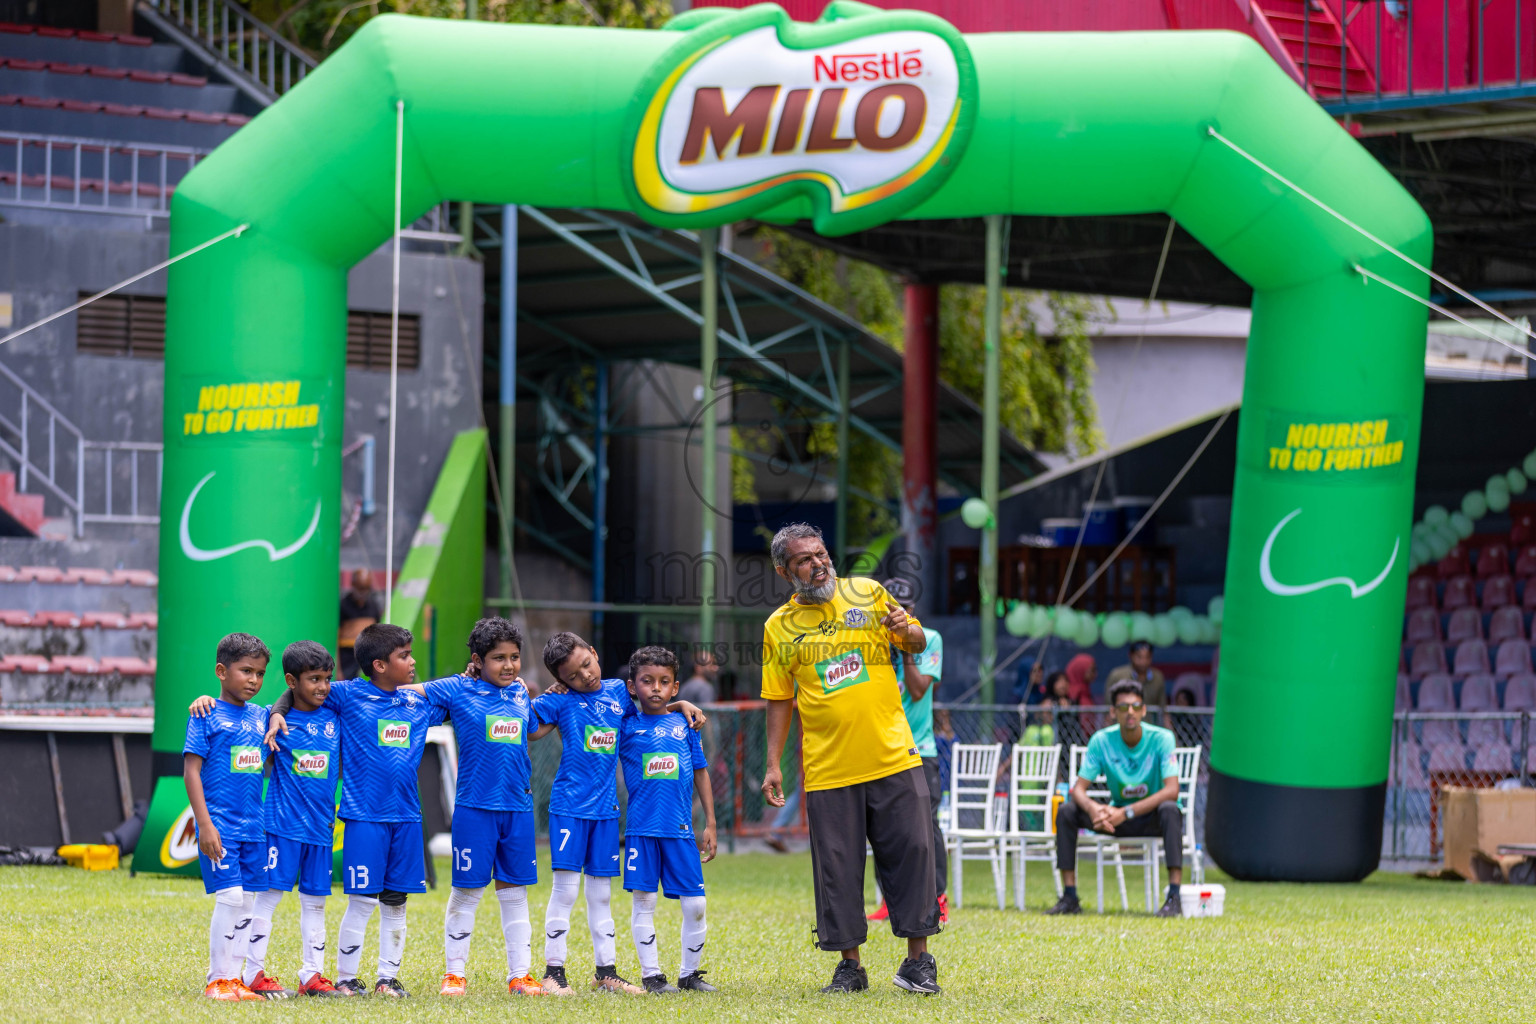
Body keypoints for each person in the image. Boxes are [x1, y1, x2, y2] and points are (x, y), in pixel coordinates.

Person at [759, 522, 941, 996]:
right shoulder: (778, 628)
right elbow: (778, 699)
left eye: (820, 553)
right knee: (837, 869)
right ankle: (850, 967)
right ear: (785, 570)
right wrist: (773, 763)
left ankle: (917, 962)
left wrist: (909, 629)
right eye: (804, 559)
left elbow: (917, 644)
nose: (817, 563)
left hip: (895, 756)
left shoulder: (869, 592)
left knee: (914, 854)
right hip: (828, 769)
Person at [264, 623, 451, 997]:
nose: (413, 662)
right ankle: (347, 978)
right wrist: (275, 714)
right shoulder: (347, 697)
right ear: (379, 665)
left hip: (408, 819)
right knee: (363, 899)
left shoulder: (417, 703)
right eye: (405, 656)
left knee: (397, 901)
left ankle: (387, 978)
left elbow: (462, 697)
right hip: (364, 817)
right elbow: (298, 688)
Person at [532, 632, 706, 995]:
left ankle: (605, 971)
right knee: (565, 892)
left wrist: (681, 704)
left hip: (607, 812)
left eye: (586, 664)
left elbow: (652, 706)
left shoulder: (617, 693)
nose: (585, 676)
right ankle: (554, 972)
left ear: (594, 654)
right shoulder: (561, 700)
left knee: (601, 895)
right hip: (569, 807)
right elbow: (533, 730)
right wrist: (535, 693)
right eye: (573, 675)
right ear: (562, 680)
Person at [424, 617, 554, 998]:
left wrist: (557, 697)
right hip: (474, 809)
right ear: (478, 660)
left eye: (514, 657)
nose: (509, 665)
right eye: (499, 658)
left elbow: (531, 728)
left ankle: (520, 975)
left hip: (517, 808)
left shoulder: (518, 693)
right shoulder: (457, 688)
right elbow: (409, 690)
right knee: (467, 891)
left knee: (514, 893)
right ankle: (454, 975)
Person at [243, 641, 342, 998]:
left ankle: (311, 977)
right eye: (313, 679)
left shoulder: (335, 715)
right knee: (268, 898)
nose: (322, 687)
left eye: (327, 679)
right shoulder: (274, 719)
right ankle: (252, 973)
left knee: (316, 902)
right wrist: (274, 711)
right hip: (282, 826)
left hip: (320, 828)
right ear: (291, 680)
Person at [619, 646, 718, 994]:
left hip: (680, 830)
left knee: (696, 904)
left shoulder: (686, 724)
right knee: (643, 903)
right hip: (642, 831)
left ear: (675, 687)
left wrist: (710, 823)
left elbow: (702, 773)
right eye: (647, 681)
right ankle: (652, 977)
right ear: (633, 687)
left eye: (664, 682)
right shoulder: (625, 725)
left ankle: (689, 975)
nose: (656, 688)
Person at [183, 632, 272, 1001]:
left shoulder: (263, 716)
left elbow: (289, 702)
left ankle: (234, 979)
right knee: (231, 896)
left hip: (255, 828)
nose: (253, 680)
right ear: (222, 671)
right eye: (246, 670)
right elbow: (190, 772)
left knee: (249, 901)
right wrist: (204, 824)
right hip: (220, 827)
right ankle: (217, 980)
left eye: (261, 673)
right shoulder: (205, 714)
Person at [1047, 678, 1184, 918]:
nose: (1129, 712)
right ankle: (1069, 896)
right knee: (1067, 811)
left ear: (1143, 710)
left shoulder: (1162, 738)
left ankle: (1174, 897)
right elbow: (1078, 789)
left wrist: (1127, 812)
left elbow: (1172, 789)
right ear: (1113, 712)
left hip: (1148, 819)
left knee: (1170, 809)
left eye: (1135, 706)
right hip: (1113, 819)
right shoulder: (1101, 740)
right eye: (1122, 707)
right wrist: (1093, 809)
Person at [869, 577, 948, 926]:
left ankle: (938, 898)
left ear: (912, 610)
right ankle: (889, 899)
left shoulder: (929, 639)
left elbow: (917, 691)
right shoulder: (870, 641)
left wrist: (904, 648)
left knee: (926, 827)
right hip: (878, 748)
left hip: (920, 749)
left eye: (902, 607)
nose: (895, 612)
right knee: (879, 826)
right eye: (889, 606)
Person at [337, 568, 382, 679]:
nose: (363, 593)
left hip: (367, 658)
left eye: (367, 589)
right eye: (361, 588)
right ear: (353, 584)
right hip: (347, 659)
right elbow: (336, 639)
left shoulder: (373, 606)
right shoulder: (343, 606)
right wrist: (338, 670)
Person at [1106, 641, 1167, 718]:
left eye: (1147, 657)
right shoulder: (1117, 676)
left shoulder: (1158, 677)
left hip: (1148, 726)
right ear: (1130, 655)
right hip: (1122, 726)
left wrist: (1169, 729)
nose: (1143, 661)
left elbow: (1163, 709)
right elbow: (1107, 709)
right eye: (1139, 657)